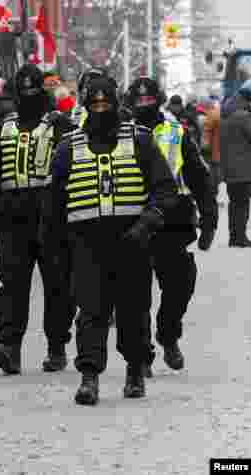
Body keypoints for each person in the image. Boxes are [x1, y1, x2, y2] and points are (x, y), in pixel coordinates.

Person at [47, 75, 179, 405]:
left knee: (133, 310)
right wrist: (54, 248)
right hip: (86, 243)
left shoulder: (139, 140)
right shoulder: (68, 147)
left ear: (117, 102)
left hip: (132, 240)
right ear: (86, 105)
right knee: (91, 310)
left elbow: (164, 188)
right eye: (95, 104)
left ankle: (135, 370)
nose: (101, 108)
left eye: (106, 103)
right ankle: (89, 376)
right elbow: (53, 203)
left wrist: (148, 222)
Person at [0, 64, 76, 375]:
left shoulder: (59, 126)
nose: (29, 96)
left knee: (57, 284)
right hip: (13, 215)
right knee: (12, 285)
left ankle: (56, 347)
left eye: (34, 91)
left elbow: (75, 170)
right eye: (24, 91)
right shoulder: (3, 127)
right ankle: (9, 346)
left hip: (50, 214)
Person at [125, 78, 217, 371]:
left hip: (172, 218)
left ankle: (168, 335)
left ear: (159, 99)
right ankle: (140, 355)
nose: (143, 106)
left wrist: (209, 218)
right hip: (133, 217)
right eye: (138, 102)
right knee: (134, 294)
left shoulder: (176, 131)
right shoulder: (119, 132)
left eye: (148, 100)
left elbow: (198, 177)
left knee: (180, 284)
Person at [220, 85, 251, 248]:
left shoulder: (226, 115)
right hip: (244, 169)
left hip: (230, 168)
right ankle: (240, 237)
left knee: (234, 204)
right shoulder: (244, 117)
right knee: (242, 204)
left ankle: (234, 236)